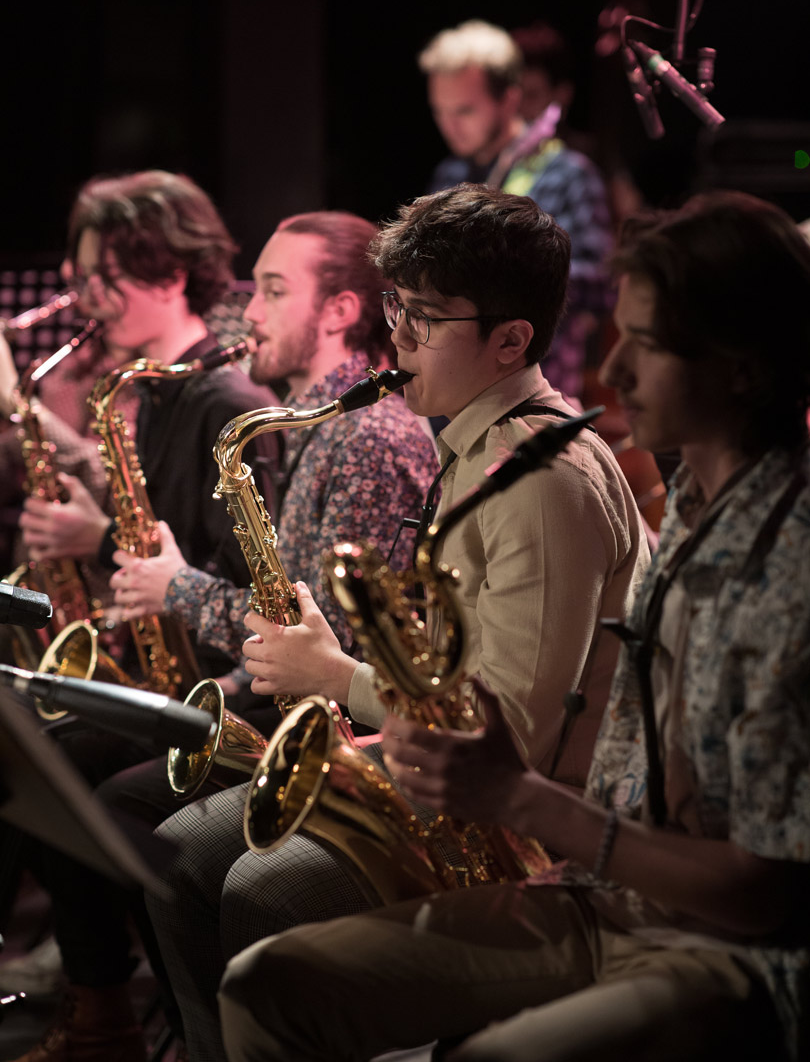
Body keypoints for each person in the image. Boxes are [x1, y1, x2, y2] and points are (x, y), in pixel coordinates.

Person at [218, 190, 810, 1062]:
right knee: (266, 984)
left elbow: (768, 896)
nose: (614, 372)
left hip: (730, 950)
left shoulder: (788, 563)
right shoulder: (692, 501)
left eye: (647, 345)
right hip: (604, 891)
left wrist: (358, 689)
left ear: (741, 368)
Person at [144, 184, 649, 1062]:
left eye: (423, 317)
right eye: (395, 308)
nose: (397, 338)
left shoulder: (537, 479)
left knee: (259, 889)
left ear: (511, 339)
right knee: (180, 849)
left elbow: (513, 737)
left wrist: (336, 677)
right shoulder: (471, 444)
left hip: (523, 827)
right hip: (449, 770)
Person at [43, 210, 438, 1062]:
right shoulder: (304, 423)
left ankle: (186, 1029)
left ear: (338, 311)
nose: (245, 312)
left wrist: (176, 587)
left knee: (131, 806)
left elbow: (329, 638)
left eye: (271, 290)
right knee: (97, 780)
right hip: (280, 701)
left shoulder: (368, 434)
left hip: (339, 726)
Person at [6, 169, 281, 1062]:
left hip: (226, 687)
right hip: (167, 660)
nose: (87, 300)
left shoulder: (224, 400)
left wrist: (99, 545)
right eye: (82, 277)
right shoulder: (155, 389)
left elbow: (248, 580)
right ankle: (99, 999)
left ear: (169, 269)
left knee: (55, 760)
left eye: (104, 278)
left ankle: (110, 1006)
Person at [420, 20, 613, 401]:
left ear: (509, 99)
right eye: (440, 111)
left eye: (464, 110)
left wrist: (495, 271)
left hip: (534, 391)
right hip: (454, 389)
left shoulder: (566, 174)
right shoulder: (450, 175)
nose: (450, 126)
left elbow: (602, 286)